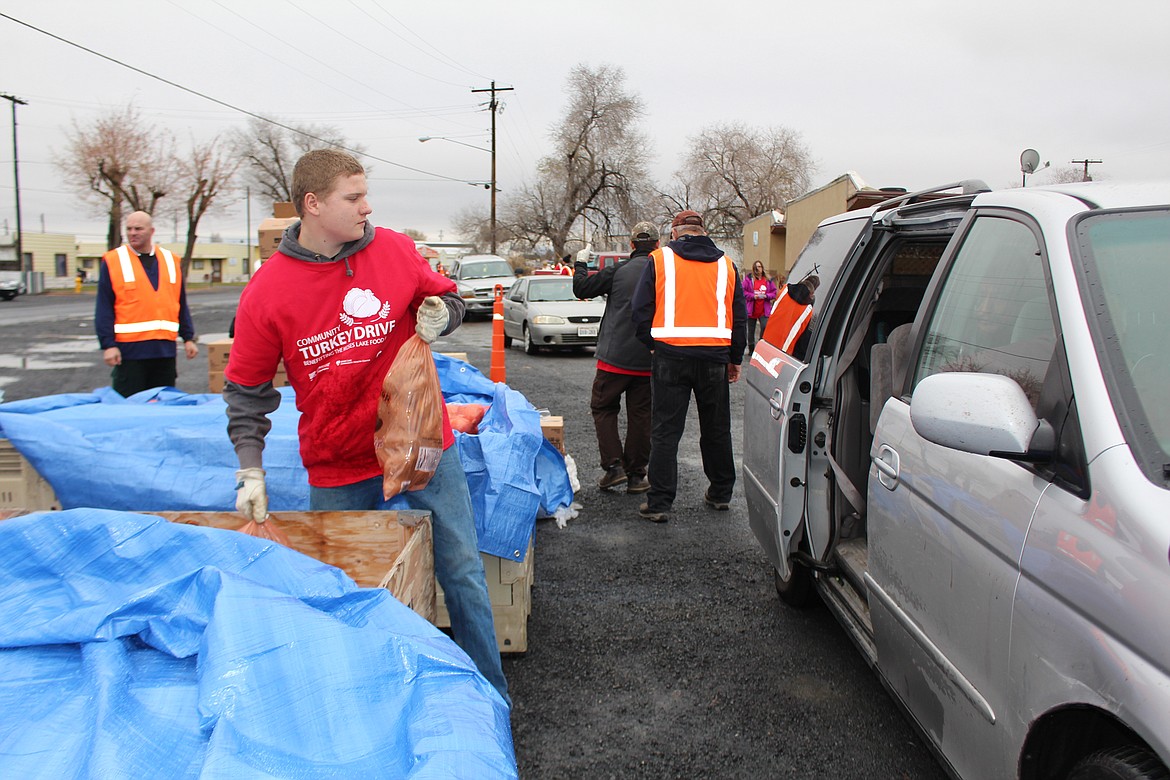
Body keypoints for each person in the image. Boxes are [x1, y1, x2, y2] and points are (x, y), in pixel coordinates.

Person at [221, 149, 509, 704]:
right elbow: (247, 391)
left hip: (423, 443)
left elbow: (447, 297)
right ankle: (356, 699)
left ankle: (488, 695)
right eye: (353, 197)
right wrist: (249, 469)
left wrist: (442, 315)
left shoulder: (394, 250)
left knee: (463, 572)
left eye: (365, 194)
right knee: (341, 589)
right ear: (313, 204)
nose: (366, 206)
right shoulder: (268, 291)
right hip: (338, 461)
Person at [630, 210, 747, 523]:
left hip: (670, 357)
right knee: (717, 428)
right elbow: (739, 317)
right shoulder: (726, 265)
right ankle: (721, 493)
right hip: (714, 360)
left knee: (665, 432)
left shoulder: (659, 260)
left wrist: (653, 344)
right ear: (702, 231)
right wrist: (735, 358)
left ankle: (659, 503)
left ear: (675, 232)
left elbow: (640, 310)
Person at [572, 223, 658, 495]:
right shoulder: (664, 271)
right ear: (657, 245)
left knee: (604, 407)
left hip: (614, 356)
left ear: (632, 245)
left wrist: (581, 263)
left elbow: (582, 288)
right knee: (641, 415)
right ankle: (636, 475)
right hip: (649, 356)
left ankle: (613, 467)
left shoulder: (619, 270)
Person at [95, 210, 199, 397]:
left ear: (151, 231)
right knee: (130, 406)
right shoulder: (113, 261)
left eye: (138, 228)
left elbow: (179, 302)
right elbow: (104, 307)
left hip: (164, 351)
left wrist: (188, 337)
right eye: (129, 229)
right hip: (130, 352)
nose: (133, 233)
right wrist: (108, 345)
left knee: (164, 403)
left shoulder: (171, 260)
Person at [761, 274, 820, 359]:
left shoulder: (784, 290)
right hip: (782, 356)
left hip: (765, 345)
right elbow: (803, 344)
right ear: (812, 292)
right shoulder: (808, 311)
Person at [742, 261, 778, 345]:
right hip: (752, 310)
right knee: (751, 331)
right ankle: (751, 348)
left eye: (759, 266)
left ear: (762, 268)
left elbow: (774, 292)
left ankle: (761, 344)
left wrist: (766, 296)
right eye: (756, 267)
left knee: (764, 326)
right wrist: (752, 296)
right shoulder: (748, 280)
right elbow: (743, 291)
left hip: (764, 310)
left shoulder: (768, 281)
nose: (758, 269)